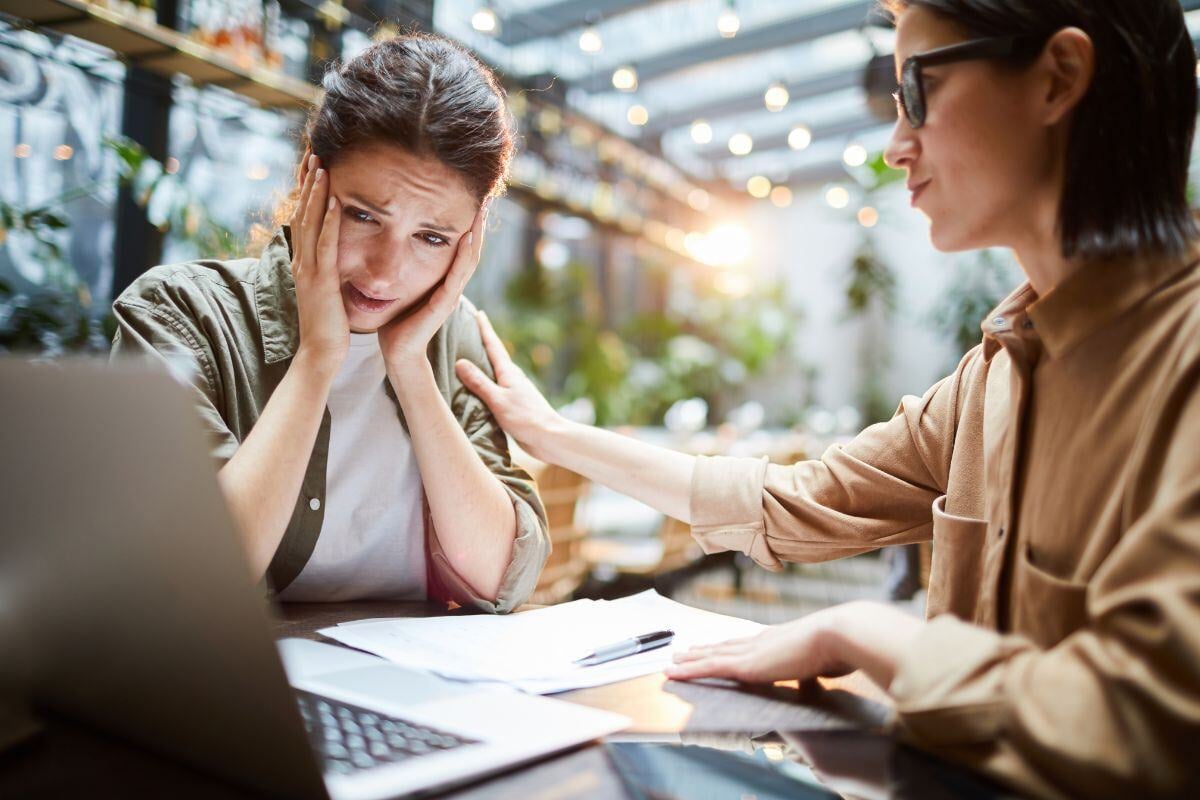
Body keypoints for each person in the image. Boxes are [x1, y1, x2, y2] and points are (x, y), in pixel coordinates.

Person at [453, 0, 1200, 795]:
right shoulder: (997, 372)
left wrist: (866, 632)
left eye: (917, 91)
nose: (895, 144)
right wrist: (554, 435)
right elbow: (792, 499)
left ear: (1059, 78)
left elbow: (1145, 726)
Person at [110, 33, 548, 613]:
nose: (386, 273)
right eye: (365, 216)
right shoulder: (179, 314)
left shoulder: (454, 339)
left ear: (471, 237)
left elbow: (500, 578)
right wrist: (318, 358)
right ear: (307, 177)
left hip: (407, 696)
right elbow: (200, 574)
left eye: (432, 237)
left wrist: (410, 366)